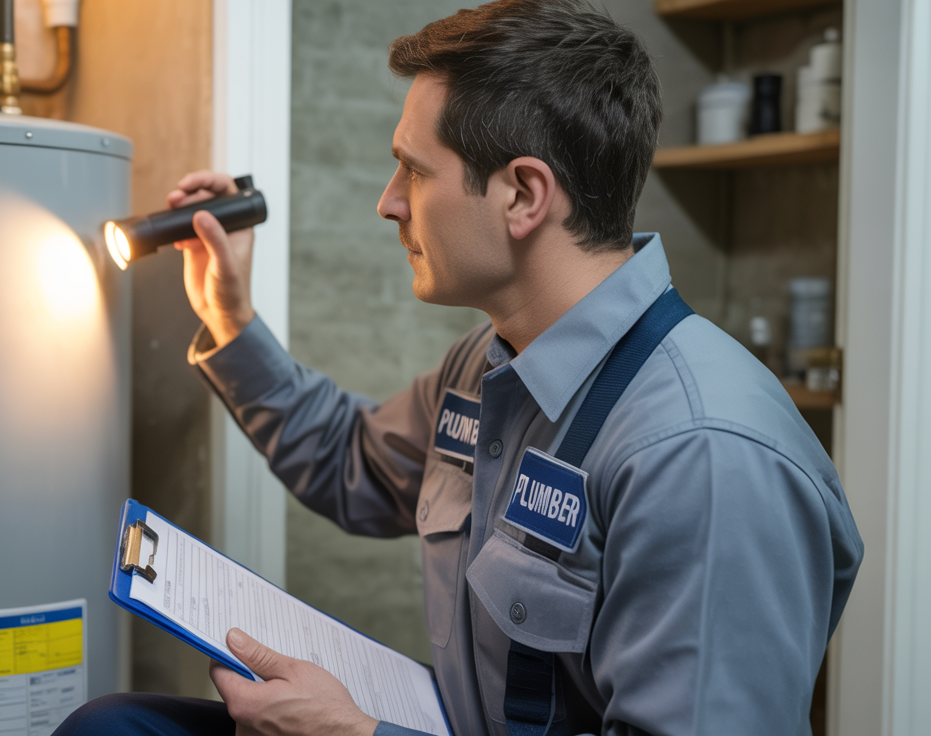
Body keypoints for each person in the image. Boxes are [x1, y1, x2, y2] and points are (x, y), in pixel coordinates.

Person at [56, 1, 863, 734]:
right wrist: (229, 318)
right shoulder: (489, 363)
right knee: (117, 728)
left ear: (522, 197)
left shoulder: (704, 455)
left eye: (414, 169)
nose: (388, 202)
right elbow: (351, 461)